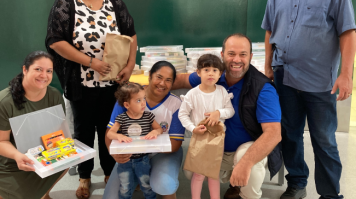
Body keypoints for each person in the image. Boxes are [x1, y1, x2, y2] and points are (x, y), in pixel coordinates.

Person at [261, 0, 356, 198]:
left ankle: (330, 195)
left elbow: (348, 32)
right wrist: (267, 65)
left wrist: (346, 74)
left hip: (320, 81)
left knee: (324, 140)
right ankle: (297, 183)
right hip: (285, 77)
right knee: (290, 134)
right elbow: (269, 31)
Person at [45, 0, 137, 197]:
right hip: (80, 83)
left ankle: (109, 171)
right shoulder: (65, 3)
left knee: (109, 128)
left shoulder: (115, 2)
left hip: (112, 84)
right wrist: (91, 62)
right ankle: (84, 177)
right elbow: (55, 41)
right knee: (83, 131)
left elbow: (131, 35)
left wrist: (129, 65)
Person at [174, 33, 282, 199]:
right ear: (222, 55)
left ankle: (247, 194)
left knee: (246, 161)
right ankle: (233, 184)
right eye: (231, 54)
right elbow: (180, 80)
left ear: (251, 57)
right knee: (191, 173)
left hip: (243, 150)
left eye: (243, 54)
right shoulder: (212, 75)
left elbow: (274, 134)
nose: (236, 60)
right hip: (214, 148)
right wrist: (150, 89)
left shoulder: (263, 88)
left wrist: (245, 163)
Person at [103, 61, 185, 199]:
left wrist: (152, 136)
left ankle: (160, 177)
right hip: (132, 155)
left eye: (168, 80)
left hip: (163, 153)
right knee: (111, 196)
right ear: (150, 76)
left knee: (164, 185)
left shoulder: (176, 104)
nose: (162, 83)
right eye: (158, 77)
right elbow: (110, 134)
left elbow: (175, 143)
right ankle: (142, 177)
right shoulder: (128, 98)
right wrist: (114, 153)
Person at [0, 51, 68, 199]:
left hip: (42, 152)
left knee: (66, 162)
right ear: (25, 69)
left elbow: (57, 131)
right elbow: (1, 141)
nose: (44, 75)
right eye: (38, 69)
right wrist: (17, 156)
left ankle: (45, 194)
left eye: (49, 71)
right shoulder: (5, 102)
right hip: (11, 161)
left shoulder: (55, 95)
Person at [178, 54, 235, 199]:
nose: (211, 73)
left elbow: (230, 111)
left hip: (217, 139)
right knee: (198, 173)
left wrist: (218, 113)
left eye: (215, 70)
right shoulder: (192, 94)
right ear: (198, 72)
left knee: (213, 172)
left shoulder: (222, 91)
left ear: (220, 74)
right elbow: (182, 114)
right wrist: (192, 128)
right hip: (199, 138)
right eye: (206, 69)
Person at [107, 83, 163, 199]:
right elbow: (110, 133)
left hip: (143, 159)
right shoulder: (121, 118)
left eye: (144, 98)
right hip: (125, 161)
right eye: (138, 100)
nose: (143, 103)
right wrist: (119, 136)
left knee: (146, 185)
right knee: (125, 187)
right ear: (127, 104)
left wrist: (155, 132)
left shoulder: (148, 117)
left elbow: (159, 129)